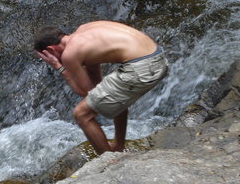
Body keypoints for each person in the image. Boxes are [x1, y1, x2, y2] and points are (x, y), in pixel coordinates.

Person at [34, 20, 168, 154]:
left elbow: (85, 92)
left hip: (143, 67)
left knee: (81, 114)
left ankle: (109, 161)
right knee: (115, 95)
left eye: (48, 57)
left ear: (51, 49)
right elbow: (95, 89)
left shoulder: (70, 54)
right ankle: (118, 147)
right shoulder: (84, 29)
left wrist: (59, 67)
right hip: (157, 56)